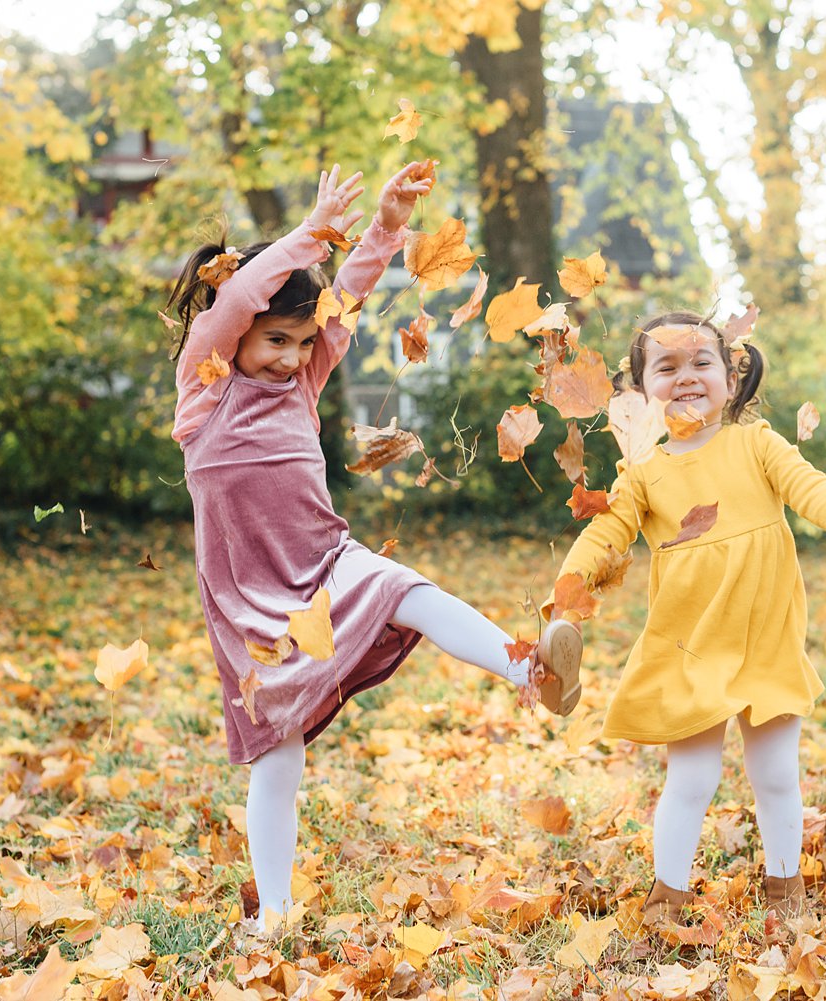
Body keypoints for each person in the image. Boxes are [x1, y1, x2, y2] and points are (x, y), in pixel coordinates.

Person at [165, 162, 582, 931]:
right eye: (275, 339)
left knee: (407, 590)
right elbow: (234, 304)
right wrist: (310, 233)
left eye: (300, 342)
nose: (291, 356)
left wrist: (387, 227)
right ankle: (276, 912)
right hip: (253, 601)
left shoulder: (301, 383)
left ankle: (531, 667)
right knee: (276, 755)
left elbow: (346, 299)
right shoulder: (208, 381)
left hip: (326, 562)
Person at [547, 311, 826, 925]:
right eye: (666, 367)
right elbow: (607, 533)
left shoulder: (757, 442)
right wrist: (567, 596)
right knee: (691, 777)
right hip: (692, 643)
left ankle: (785, 886)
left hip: (766, 636)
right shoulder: (644, 472)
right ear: (638, 394)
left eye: (700, 362)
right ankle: (668, 895)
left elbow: (807, 483)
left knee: (774, 774)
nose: (685, 377)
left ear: (731, 376)